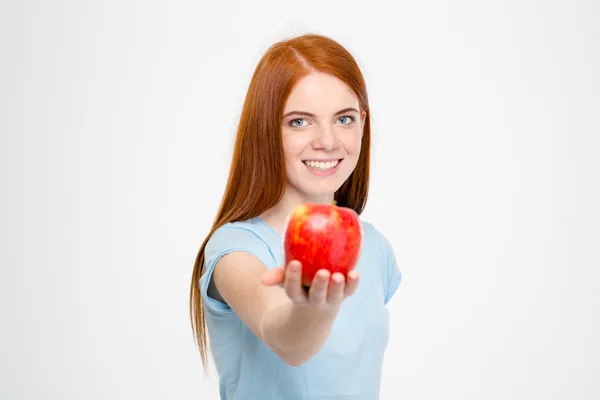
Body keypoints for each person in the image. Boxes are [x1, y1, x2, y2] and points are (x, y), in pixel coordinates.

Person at [189, 33, 402, 400]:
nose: (328, 141)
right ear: (266, 129)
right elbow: (285, 339)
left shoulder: (375, 247)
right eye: (300, 122)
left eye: (344, 119)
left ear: (363, 123)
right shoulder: (234, 250)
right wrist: (314, 308)